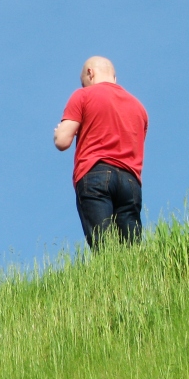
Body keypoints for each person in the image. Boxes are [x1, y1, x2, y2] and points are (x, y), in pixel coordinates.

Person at [54, 57, 148, 248]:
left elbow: (62, 141)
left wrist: (59, 131)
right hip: (130, 181)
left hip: (95, 174)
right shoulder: (139, 108)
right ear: (114, 76)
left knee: (103, 247)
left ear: (90, 73)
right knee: (132, 249)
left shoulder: (83, 95)